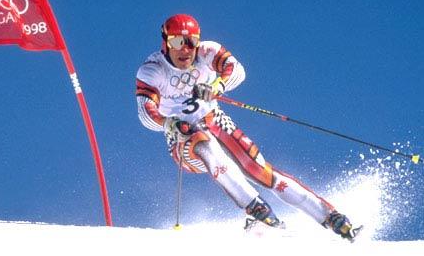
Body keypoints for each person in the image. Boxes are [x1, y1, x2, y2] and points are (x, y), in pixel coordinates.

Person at [135, 14, 362, 241]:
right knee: (202, 141)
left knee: (257, 168)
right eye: (177, 42)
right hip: (182, 137)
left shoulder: (207, 52)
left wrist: (217, 85)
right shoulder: (153, 70)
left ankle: (331, 217)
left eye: (191, 42)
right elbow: (146, 113)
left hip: (213, 119)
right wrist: (168, 122)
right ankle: (256, 208)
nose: (185, 49)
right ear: (165, 42)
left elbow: (237, 70)